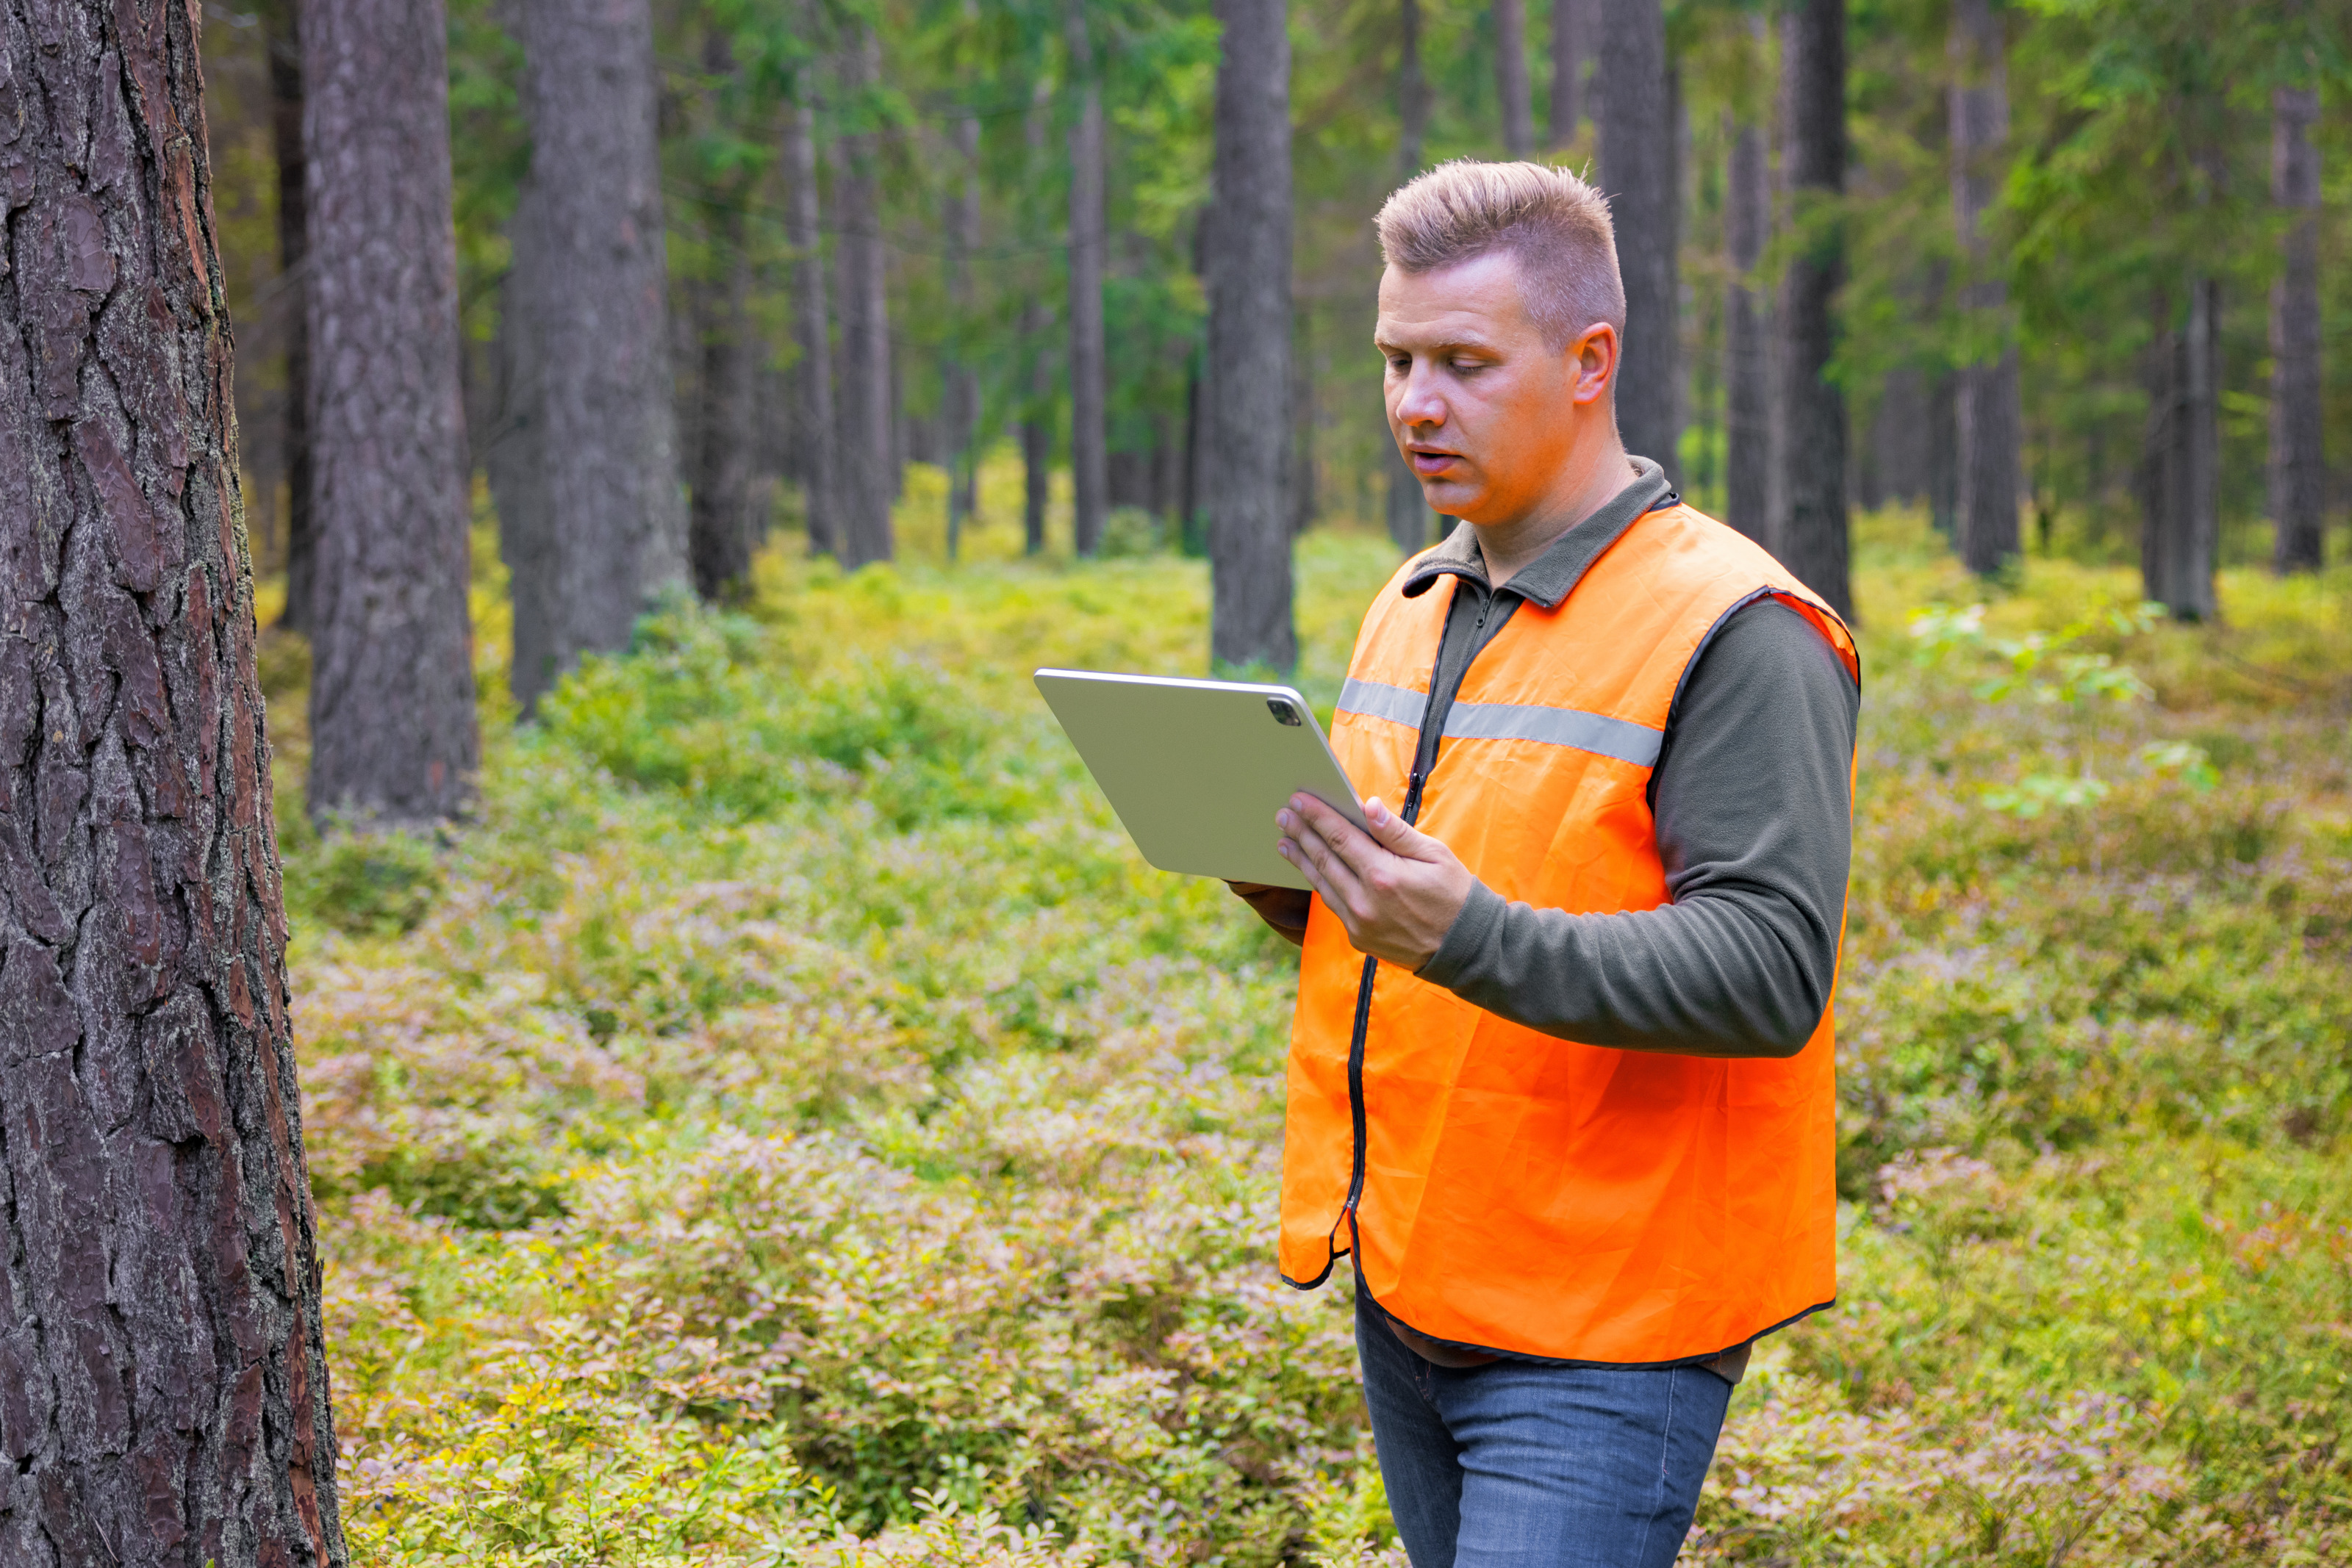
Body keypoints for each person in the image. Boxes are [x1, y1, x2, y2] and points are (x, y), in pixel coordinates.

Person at [1227, 160, 1860, 1567]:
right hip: (1408, 1281)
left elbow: (1770, 971)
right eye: (1395, 359)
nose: (1414, 404)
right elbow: (1439, 913)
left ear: (1591, 363)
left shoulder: (1743, 627)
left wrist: (1463, 932)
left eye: (1462, 362)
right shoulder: (1413, 598)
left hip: (1605, 1328)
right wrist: (1312, 886)